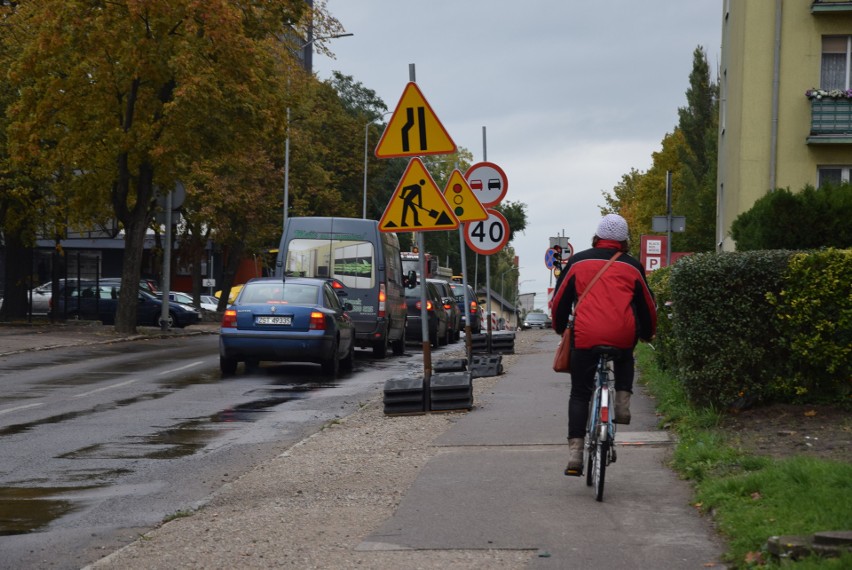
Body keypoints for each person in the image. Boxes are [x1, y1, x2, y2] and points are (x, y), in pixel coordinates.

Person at [550, 214, 657, 476]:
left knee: (579, 393)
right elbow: (647, 307)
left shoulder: (577, 262)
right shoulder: (632, 266)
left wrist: (560, 327)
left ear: (597, 236)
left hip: (585, 336)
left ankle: (575, 454)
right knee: (624, 357)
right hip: (622, 335)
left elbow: (559, 301)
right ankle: (621, 403)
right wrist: (647, 333)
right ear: (624, 241)